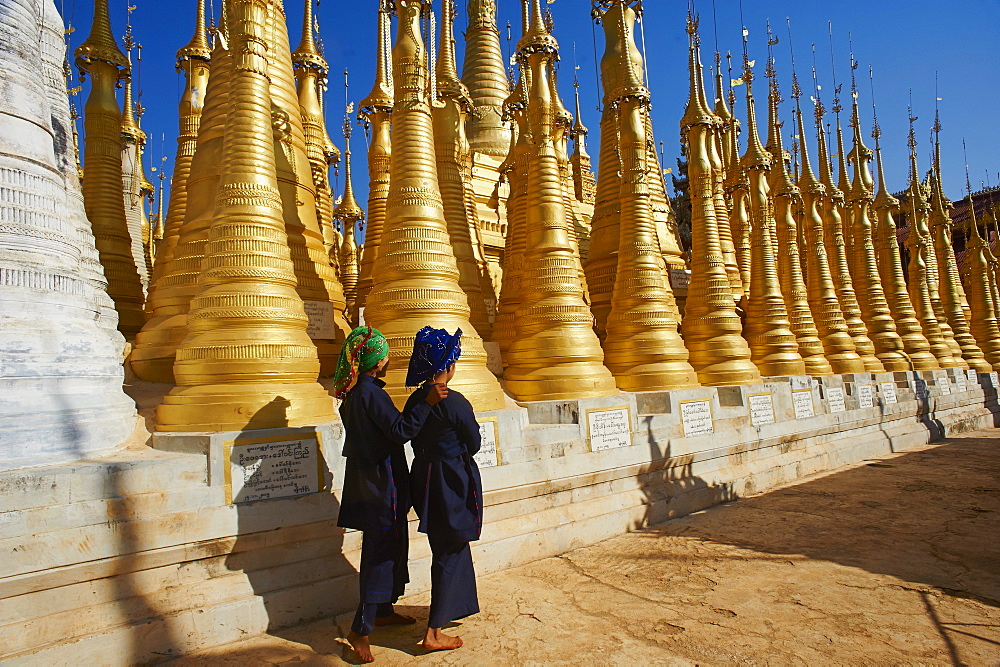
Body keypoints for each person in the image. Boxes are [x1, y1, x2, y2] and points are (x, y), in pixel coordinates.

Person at [333, 326, 448, 663]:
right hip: (383, 486)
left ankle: (382, 610)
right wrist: (427, 402)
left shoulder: (355, 395)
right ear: (377, 360)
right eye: (384, 353)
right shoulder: (371, 394)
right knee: (380, 554)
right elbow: (401, 432)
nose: (388, 359)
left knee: (390, 545)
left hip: (373, 482)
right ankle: (361, 628)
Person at [403, 326, 484, 652]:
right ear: (448, 366)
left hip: (423, 476)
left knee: (449, 543)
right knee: (450, 549)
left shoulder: (414, 399)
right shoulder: (455, 402)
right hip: (450, 481)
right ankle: (434, 632)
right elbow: (474, 442)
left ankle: (456, 605)